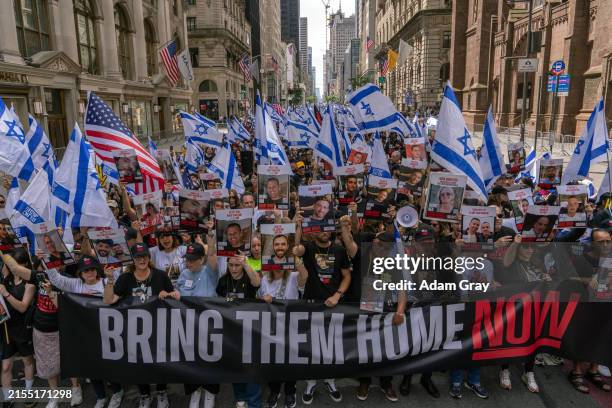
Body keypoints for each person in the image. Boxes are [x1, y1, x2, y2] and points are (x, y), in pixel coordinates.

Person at [104, 243, 179, 408]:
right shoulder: (125, 278)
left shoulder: (160, 275)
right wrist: (110, 279)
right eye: (138, 257)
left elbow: (174, 295)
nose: (142, 259)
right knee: (139, 363)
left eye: (144, 256)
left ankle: (161, 392)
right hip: (135, 330)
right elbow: (109, 300)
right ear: (133, 259)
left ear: (149, 257)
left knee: (161, 362)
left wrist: (169, 294)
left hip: (159, 327)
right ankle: (144, 394)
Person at [44, 256, 124, 408]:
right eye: (85, 270)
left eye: (92, 269)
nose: (90, 273)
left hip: (106, 332)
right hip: (84, 333)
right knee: (90, 366)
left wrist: (111, 278)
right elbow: (56, 279)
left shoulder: (106, 282)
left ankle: (117, 392)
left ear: (97, 270)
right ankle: (100, 396)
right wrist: (46, 260)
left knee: (109, 365)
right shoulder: (76, 285)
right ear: (80, 273)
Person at [294, 211, 351, 404]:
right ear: (315, 230)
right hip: (311, 305)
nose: (323, 232)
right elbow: (296, 250)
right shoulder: (308, 248)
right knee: (312, 346)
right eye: (319, 228)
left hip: (333, 306)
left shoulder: (339, 250)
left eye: (326, 227)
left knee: (331, 347)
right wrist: (298, 227)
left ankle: (329, 380)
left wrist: (337, 295)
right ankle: (311, 382)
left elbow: (347, 277)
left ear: (330, 229)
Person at [259, 243, 308, 408]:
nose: (278, 265)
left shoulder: (293, 276)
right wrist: (263, 299)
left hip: (291, 326)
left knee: (290, 360)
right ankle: (274, 390)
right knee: (273, 359)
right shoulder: (265, 279)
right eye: (275, 261)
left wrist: (295, 258)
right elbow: (258, 300)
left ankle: (290, 391)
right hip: (272, 327)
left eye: (282, 261)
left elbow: (305, 275)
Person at [176, 239, 219, 408]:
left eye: (193, 259)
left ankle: (210, 391)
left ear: (202, 259)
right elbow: (178, 292)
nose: (189, 262)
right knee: (191, 359)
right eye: (187, 259)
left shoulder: (210, 271)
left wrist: (210, 237)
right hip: (188, 324)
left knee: (210, 358)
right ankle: (195, 390)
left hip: (209, 324)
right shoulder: (184, 274)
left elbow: (213, 255)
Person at [215, 254, 261, 408]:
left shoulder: (248, 278)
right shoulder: (223, 281)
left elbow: (257, 282)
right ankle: (240, 396)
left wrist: (246, 264)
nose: (234, 269)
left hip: (250, 329)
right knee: (235, 365)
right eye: (231, 265)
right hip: (231, 330)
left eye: (237, 265)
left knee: (251, 367)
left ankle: (254, 402)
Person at [0, 248, 35, 407]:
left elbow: (22, 307)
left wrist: (6, 294)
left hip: (23, 328)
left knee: (27, 361)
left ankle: (29, 392)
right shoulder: (5, 278)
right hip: (6, 328)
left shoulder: (30, 283)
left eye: (18, 264)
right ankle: (8, 397)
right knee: (6, 365)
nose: (15, 268)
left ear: (25, 264)